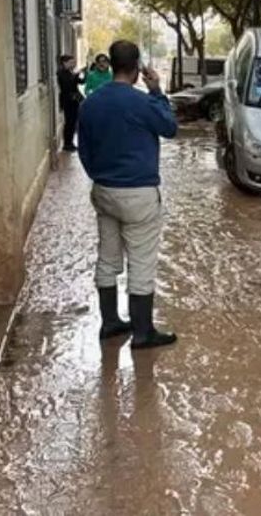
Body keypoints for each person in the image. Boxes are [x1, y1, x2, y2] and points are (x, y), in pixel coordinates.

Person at [77, 40, 179, 349]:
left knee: (107, 258)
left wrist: (100, 177)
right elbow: (170, 127)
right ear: (137, 69)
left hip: (104, 191)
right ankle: (143, 332)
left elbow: (83, 150)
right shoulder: (142, 102)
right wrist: (157, 91)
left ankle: (110, 322)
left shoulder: (90, 103)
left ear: (110, 65)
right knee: (141, 262)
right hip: (139, 195)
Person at [56, 55, 84, 151]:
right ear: (64, 63)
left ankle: (70, 142)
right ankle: (67, 144)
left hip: (74, 100)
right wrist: (76, 75)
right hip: (68, 101)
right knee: (69, 122)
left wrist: (85, 74)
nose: (73, 64)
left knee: (73, 122)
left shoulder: (70, 72)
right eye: (71, 62)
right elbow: (66, 85)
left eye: (74, 62)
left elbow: (80, 82)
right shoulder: (61, 73)